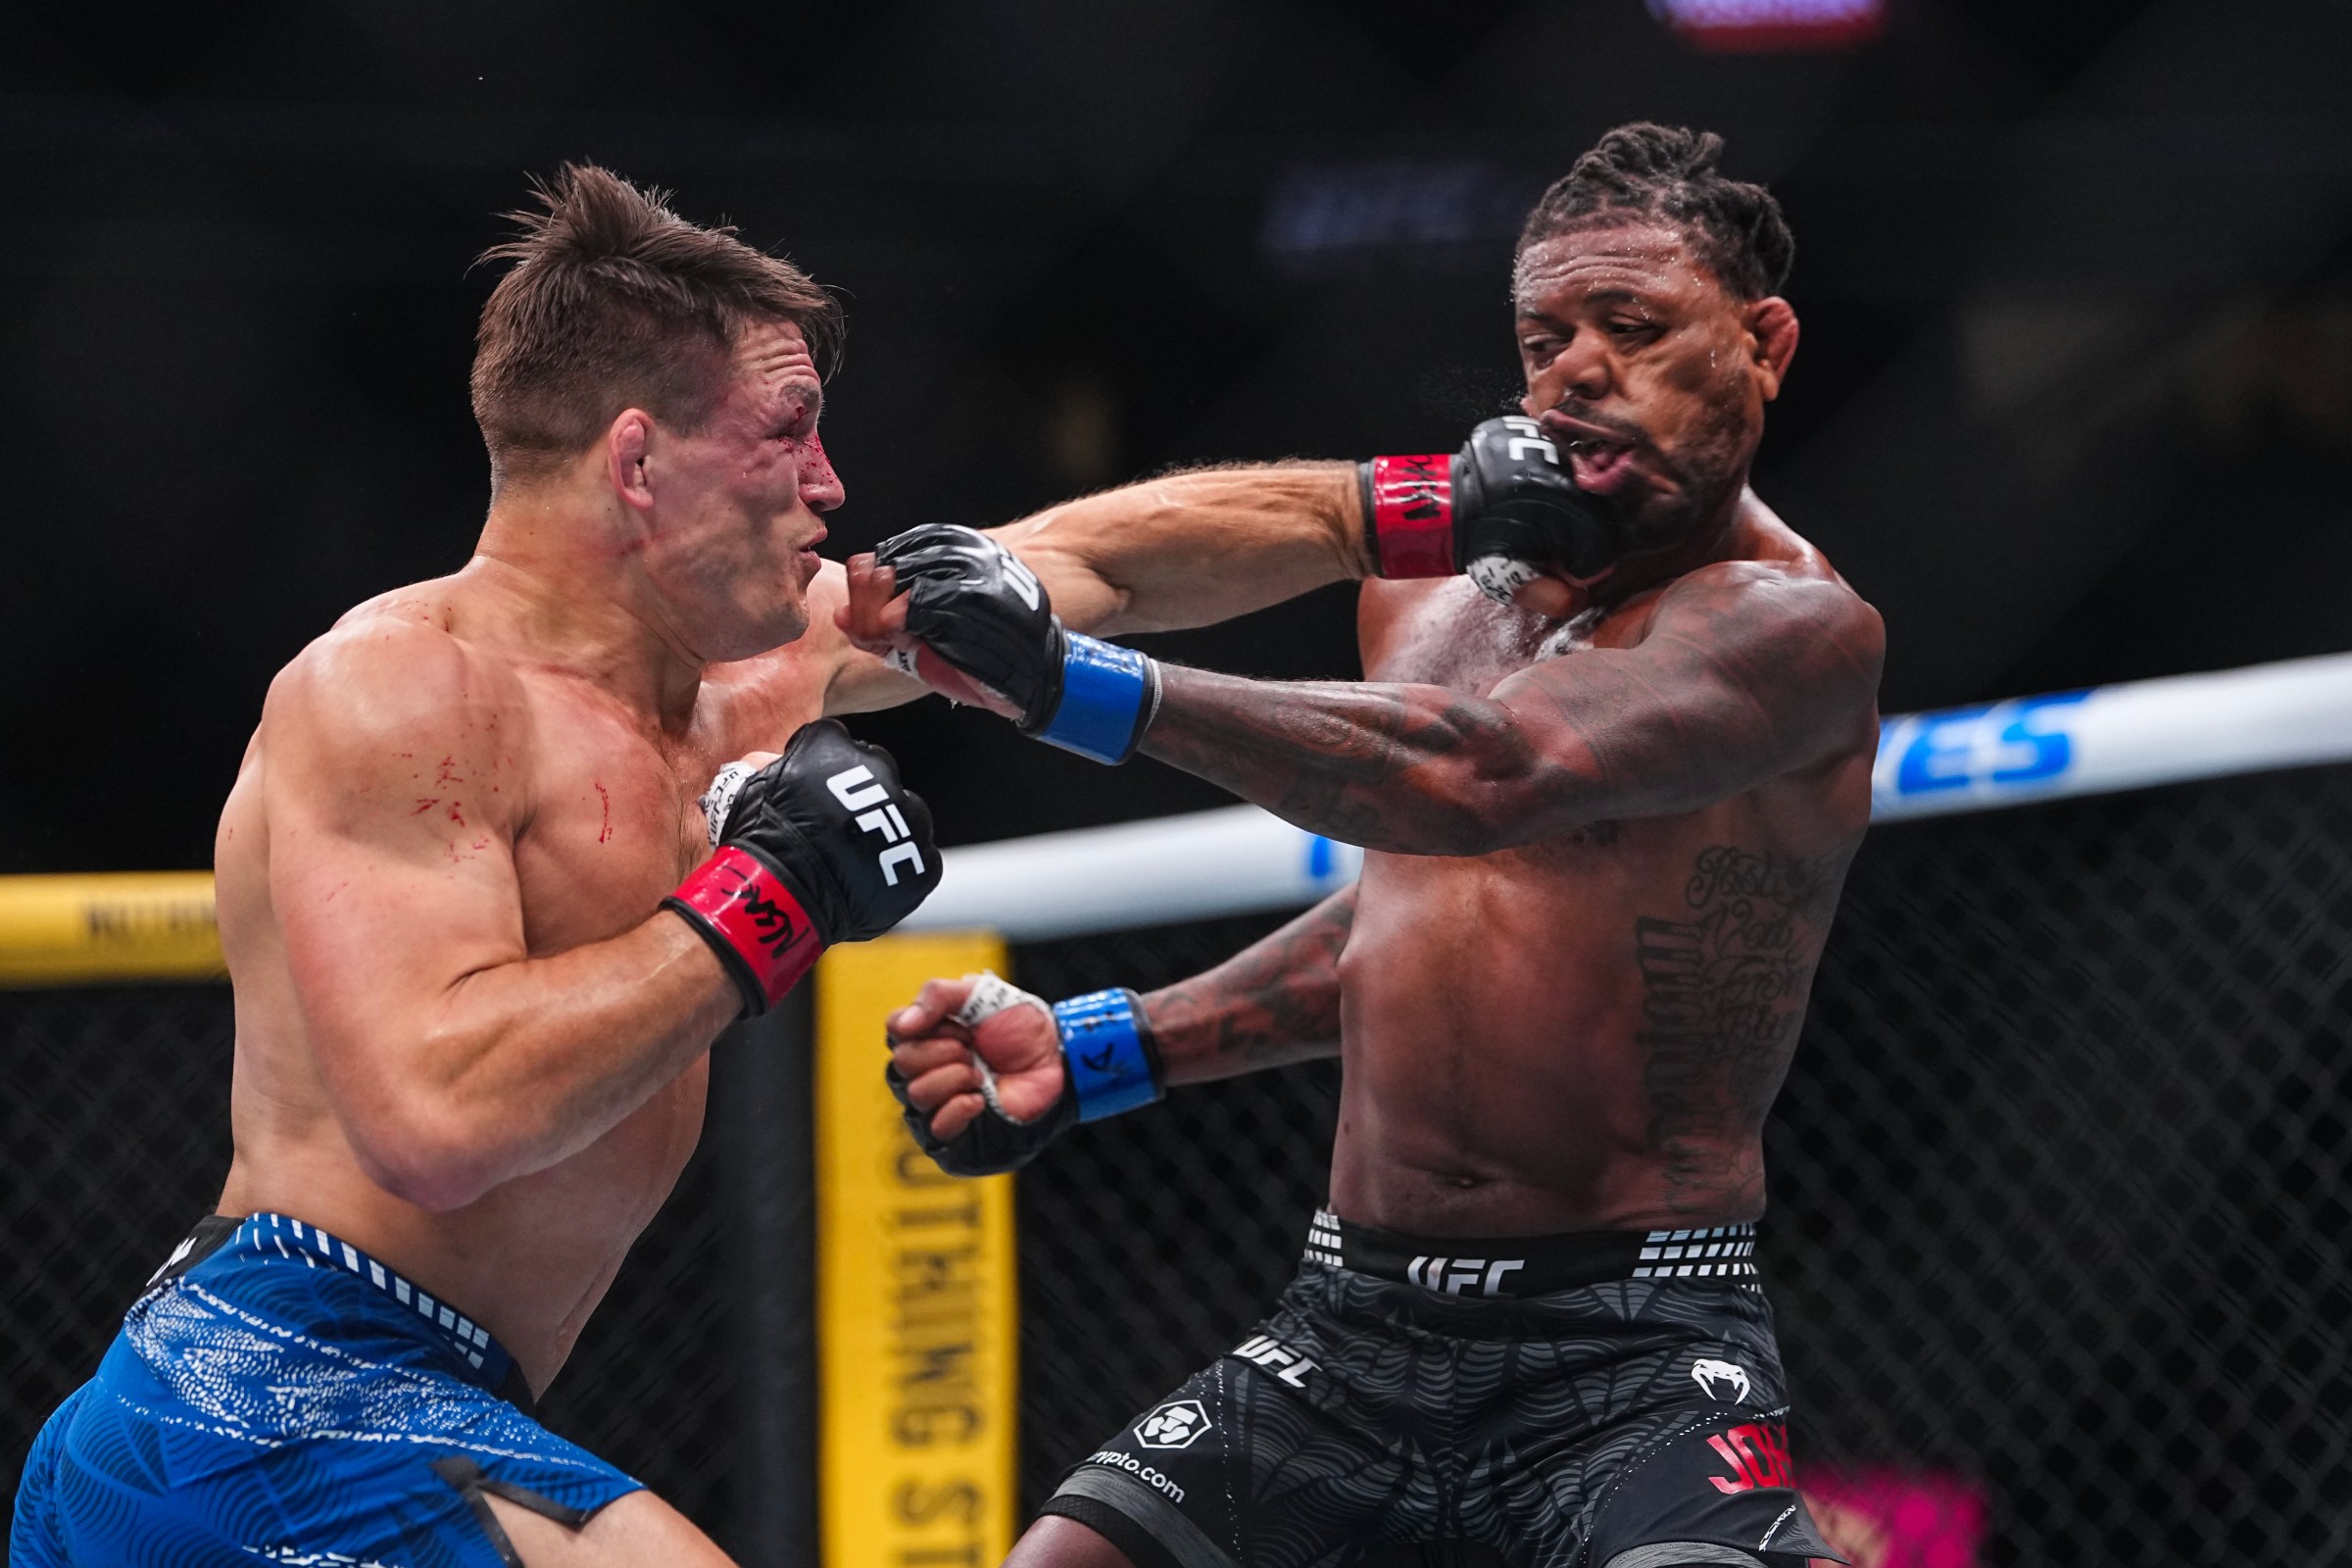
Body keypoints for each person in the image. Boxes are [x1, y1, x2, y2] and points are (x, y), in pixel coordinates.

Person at [8, 167, 1600, 1568]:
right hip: (261, 1393)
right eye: (788, 437)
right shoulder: (400, 692)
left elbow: (1090, 563)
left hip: (417, 1399)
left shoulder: (751, 682)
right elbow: (437, 1122)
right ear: (640, 465)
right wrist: (761, 904)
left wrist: (1416, 506)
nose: (834, 487)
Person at [862, 123, 1883, 1568]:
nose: (1577, 370)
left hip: (1631, 1347)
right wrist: (1109, 1047)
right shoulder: (1438, 603)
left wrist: (1070, 680)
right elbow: (1410, 914)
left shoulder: (1798, 631)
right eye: (1545, 338)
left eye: (1635, 328)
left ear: (1765, 345)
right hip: (1347, 1332)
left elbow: (1484, 778)